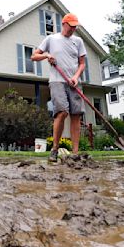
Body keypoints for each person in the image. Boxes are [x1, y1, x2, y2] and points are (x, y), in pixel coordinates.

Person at [31, 13, 86, 162]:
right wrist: (47, 56)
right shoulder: (51, 39)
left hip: (74, 82)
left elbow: (82, 63)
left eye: (75, 26)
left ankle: (75, 153)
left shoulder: (78, 41)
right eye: (71, 26)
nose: (73, 29)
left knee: (76, 115)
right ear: (64, 24)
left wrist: (75, 77)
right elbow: (34, 56)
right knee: (62, 112)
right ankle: (54, 149)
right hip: (57, 81)